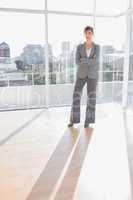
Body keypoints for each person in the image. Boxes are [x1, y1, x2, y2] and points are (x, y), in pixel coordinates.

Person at [68, 26, 100, 132]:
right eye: (86, 33)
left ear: (92, 34)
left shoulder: (97, 47)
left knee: (91, 97)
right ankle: (73, 119)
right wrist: (89, 60)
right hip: (81, 74)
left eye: (90, 32)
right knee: (76, 95)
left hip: (92, 75)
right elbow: (77, 61)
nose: (88, 34)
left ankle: (88, 121)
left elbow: (95, 62)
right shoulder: (79, 47)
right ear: (84, 34)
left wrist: (84, 60)